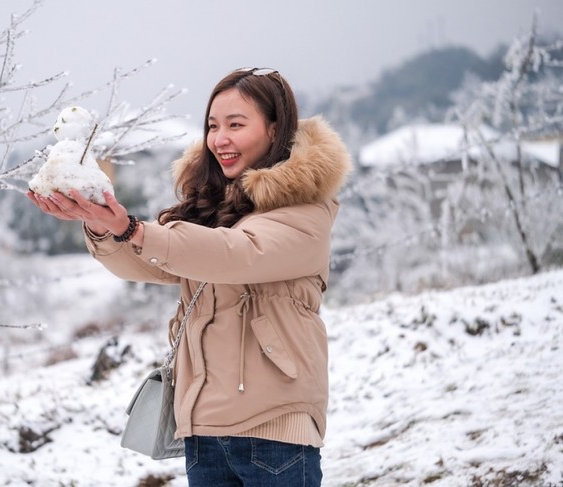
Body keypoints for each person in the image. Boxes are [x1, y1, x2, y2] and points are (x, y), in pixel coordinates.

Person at [27, 67, 351, 486]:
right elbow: (147, 261)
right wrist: (103, 226)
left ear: (275, 130)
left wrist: (135, 230)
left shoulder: (306, 213)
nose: (220, 139)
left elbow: (237, 254)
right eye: (213, 126)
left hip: (275, 429)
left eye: (236, 124)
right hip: (203, 431)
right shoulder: (211, 210)